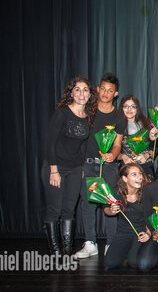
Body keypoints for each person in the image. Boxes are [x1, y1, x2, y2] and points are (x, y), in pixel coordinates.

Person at [42, 76, 97, 255]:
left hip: (75, 169)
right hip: (55, 167)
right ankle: (55, 251)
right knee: (54, 209)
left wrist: (81, 168)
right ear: (71, 93)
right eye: (77, 89)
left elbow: (83, 146)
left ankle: (66, 250)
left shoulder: (88, 116)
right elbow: (51, 143)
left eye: (85, 90)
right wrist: (54, 170)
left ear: (90, 94)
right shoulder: (62, 113)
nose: (82, 93)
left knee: (68, 210)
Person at [76, 72, 126, 259]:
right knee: (87, 204)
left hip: (109, 167)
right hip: (88, 164)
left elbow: (118, 144)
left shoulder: (119, 116)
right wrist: (79, 166)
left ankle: (111, 244)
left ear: (115, 93)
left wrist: (113, 155)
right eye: (103, 89)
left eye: (110, 90)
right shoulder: (88, 111)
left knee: (110, 203)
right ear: (97, 90)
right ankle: (90, 243)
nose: (105, 93)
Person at [104, 164, 151, 268]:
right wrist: (112, 211)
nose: (139, 177)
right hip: (123, 232)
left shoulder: (147, 192)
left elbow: (152, 216)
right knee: (110, 262)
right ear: (125, 178)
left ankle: (133, 252)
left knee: (133, 262)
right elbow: (106, 209)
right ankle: (128, 250)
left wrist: (148, 233)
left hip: (141, 232)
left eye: (140, 174)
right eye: (134, 174)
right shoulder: (116, 192)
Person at [118, 95, 154, 181]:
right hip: (127, 170)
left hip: (145, 168)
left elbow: (156, 149)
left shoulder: (147, 125)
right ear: (121, 108)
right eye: (126, 106)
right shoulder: (117, 126)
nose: (129, 109)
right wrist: (123, 157)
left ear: (137, 109)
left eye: (133, 106)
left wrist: (146, 155)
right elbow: (113, 152)